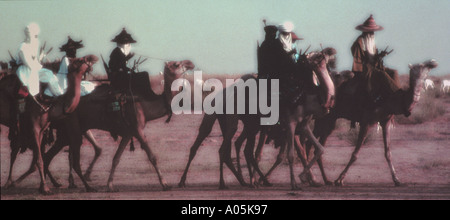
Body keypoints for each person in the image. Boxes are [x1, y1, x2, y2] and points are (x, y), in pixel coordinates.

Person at [351, 15, 401, 102]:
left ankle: (398, 93)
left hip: (375, 65)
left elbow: (373, 56)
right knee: (382, 74)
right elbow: (358, 60)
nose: (372, 33)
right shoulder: (359, 42)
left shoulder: (371, 41)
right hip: (365, 68)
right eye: (371, 31)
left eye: (373, 31)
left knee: (394, 72)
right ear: (365, 31)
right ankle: (375, 97)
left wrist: (380, 55)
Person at [15, 22, 63, 98]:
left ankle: (58, 95)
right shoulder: (23, 48)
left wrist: (41, 57)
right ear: (27, 34)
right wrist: (38, 65)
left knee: (50, 75)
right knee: (32, 84)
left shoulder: (34, 45)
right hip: (26, 71)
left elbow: (35, 61)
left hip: (35, 69)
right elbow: (29, 64)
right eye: (31, 33)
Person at [109, 28, 136, 93]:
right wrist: (128, 59)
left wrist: (128, 58)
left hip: (121, 72)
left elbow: (122, 63)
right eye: (125, 43)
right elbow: (117, 65)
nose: (126, 44)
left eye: (127, 43)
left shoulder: (121, 52)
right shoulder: (117, 51)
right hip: (117, 74)